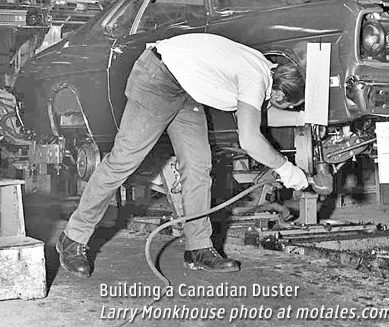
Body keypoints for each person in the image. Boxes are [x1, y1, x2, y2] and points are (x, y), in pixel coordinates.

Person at [56, 33, 309, 277]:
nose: (289, 109)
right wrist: (286, 168)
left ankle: (198, 248)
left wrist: (303, 119)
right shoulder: (255, 77)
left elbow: (259, 115)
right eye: (290, 105)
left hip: (186, 89)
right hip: (158, 76)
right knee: (123, 160)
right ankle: (73, 238)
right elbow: (250, 139)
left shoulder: (264, 69)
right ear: (278, 94)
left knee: (199, 166)